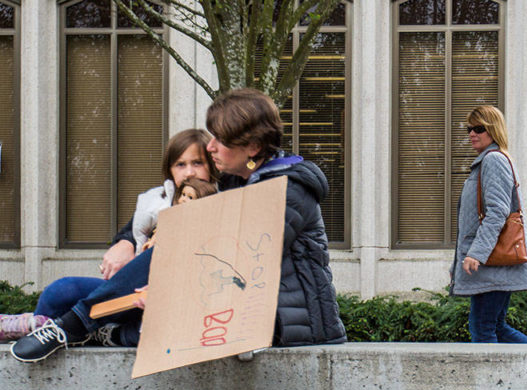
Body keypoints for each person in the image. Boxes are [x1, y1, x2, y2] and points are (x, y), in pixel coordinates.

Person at [11, 88, 346, 362]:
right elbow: (173, 220)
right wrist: (127, 240)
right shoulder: (234, 181)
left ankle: (80, 326)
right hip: (222, 303)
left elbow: (239, 260)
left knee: (148, 302)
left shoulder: (288, 190)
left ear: (253, 147)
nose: (210, 146)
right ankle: (73, 327)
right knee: (64, 290)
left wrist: (169, 287)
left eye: (220, 140)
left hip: (281, 321)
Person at [0, 130, 216, 344]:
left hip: (172, 300)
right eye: (180, 164)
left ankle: (74, 332)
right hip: (130, 293)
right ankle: (36, 335)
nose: (189, 173)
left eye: (197, 163)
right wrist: (125, 242)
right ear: (169, 169)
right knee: (61, 290)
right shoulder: (154, 202)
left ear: (211, 165)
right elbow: (130, 234)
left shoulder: (220, 204)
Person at [450, 105, 527, 343]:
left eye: (479, 128)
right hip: (490, 262)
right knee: (496, 327)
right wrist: (457, 263)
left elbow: (498, 212)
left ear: (492, 129)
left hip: (491, 262)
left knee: (483, 328)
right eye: (469, 129)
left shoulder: (493, 160)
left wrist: (475, 254)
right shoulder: (489, 160)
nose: (471, 134)